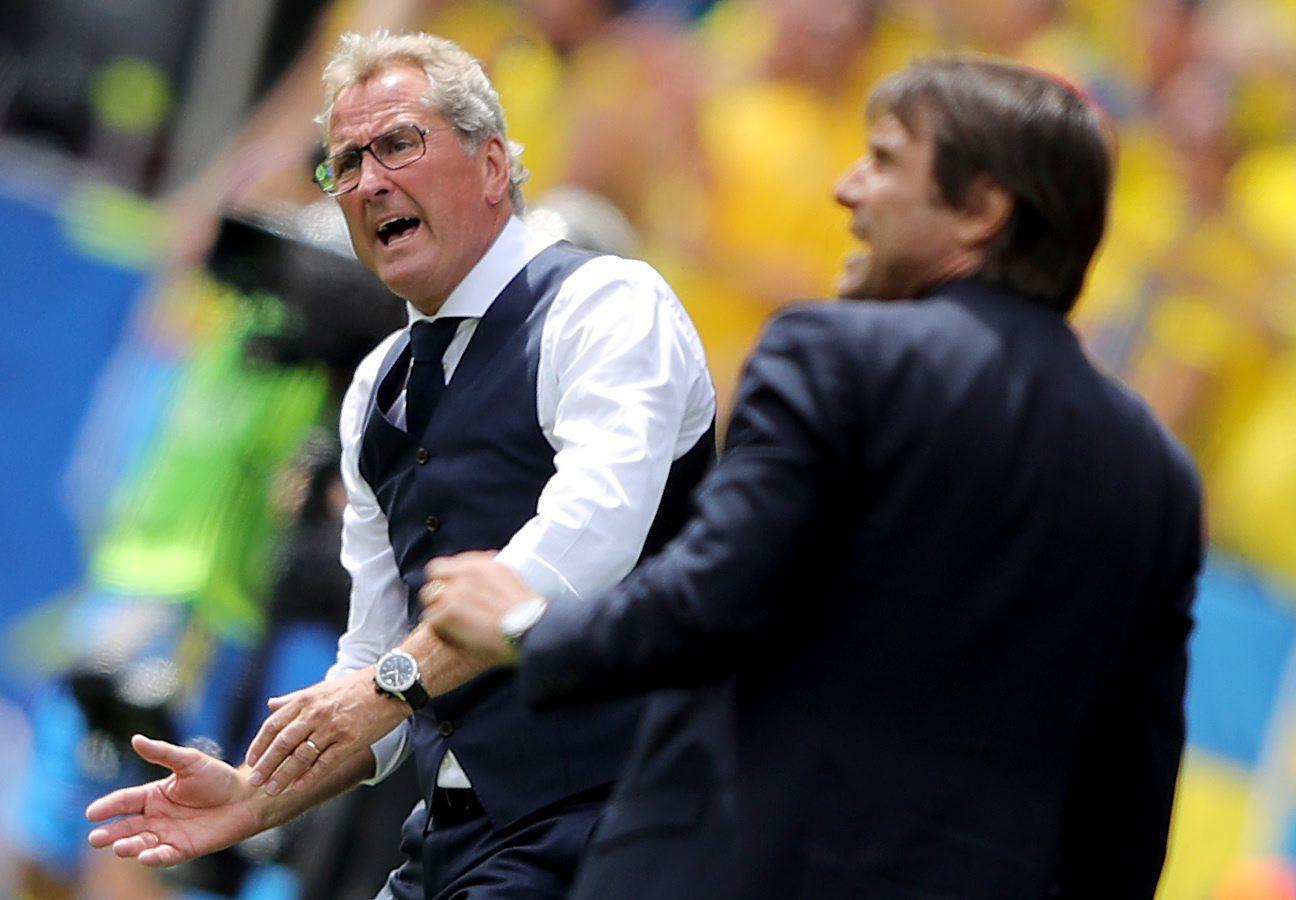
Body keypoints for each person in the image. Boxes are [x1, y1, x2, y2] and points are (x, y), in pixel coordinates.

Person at [422, 56, 1204, 898]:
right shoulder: (1159, 477)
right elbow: (1131, 796)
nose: (846, 187)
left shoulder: (831, 355)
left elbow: (708, 602)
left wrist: (527, 626)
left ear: (981, 210)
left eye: (884, 160)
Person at [86, 29, 716, 900]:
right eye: (345, 162)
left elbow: (586, 543)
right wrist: (258, 796)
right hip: (455, 833)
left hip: (617, 824)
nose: (368, 181)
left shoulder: (608, 303)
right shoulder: (377, 386)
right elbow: (370, 666)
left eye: (398, 144)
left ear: (492, 165)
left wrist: (388, 688)